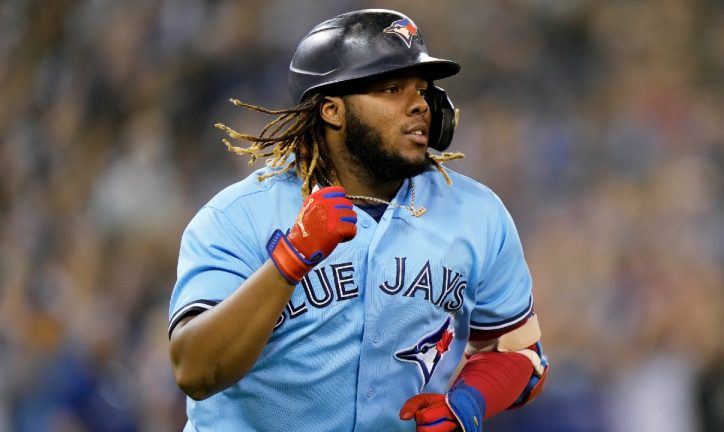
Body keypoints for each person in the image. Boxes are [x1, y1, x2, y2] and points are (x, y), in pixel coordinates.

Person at [168, 9, 548, 432]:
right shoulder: (238, 216)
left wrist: (467, 403)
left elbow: (518, 353)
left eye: (422, 89)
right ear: (332, 109)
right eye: (391, 88)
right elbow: (194, 371)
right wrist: (288, 262)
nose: (419, 104)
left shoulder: (478, 214)